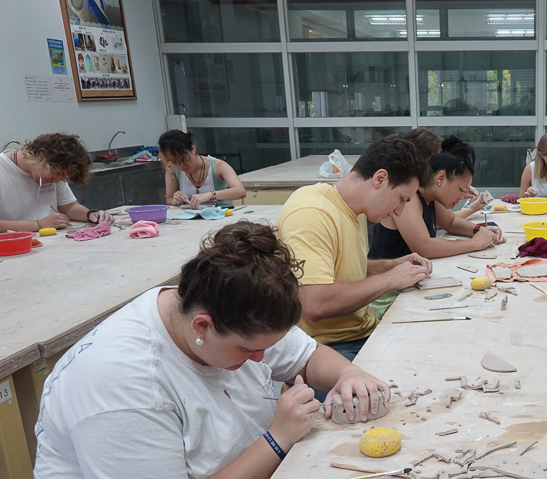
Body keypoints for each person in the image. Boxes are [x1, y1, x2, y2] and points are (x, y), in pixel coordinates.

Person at [19, 222, 389, 479]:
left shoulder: (231, 306)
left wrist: (349, 373)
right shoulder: (123, 383)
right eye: (248, 350)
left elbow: (305, 356)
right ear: (201, 326)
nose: (261, 359)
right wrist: (277, 440)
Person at [275, 135, 433, 373]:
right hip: (325, 348)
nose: (400, 211)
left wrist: (394, 265)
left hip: (360, 332)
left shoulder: (354, 207)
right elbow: (315, 303)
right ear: (380, 179)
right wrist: (391, 279)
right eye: (401, 199)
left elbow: (344, 270)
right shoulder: (312, 212)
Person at [369, 135, 504, 260]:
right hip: (386, 274)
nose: (461, 196)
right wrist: (475, 243)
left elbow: (451, 222)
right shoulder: (409, 196)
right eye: (461, 189)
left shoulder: (432, 195)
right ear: (441, 178)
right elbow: (424, 248)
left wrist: (480, 230)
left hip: (410, 272)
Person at [0, 132, 112, 231]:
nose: (56, 181)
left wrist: (90, 215)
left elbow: (69, 207)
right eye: (57, 173)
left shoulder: (54, 172)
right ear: (39, 157)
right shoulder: (3, 169)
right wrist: (38, 224)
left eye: (62, 178)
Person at [160, 130, 246, 209]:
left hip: (219, 214)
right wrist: (174, 201)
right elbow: (169, 198)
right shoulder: (172, 168)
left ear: (193, 149)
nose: (181, 165)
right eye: (174, 162)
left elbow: (240, 191)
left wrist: (211, 195)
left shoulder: (218, 166)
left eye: (184, 159)